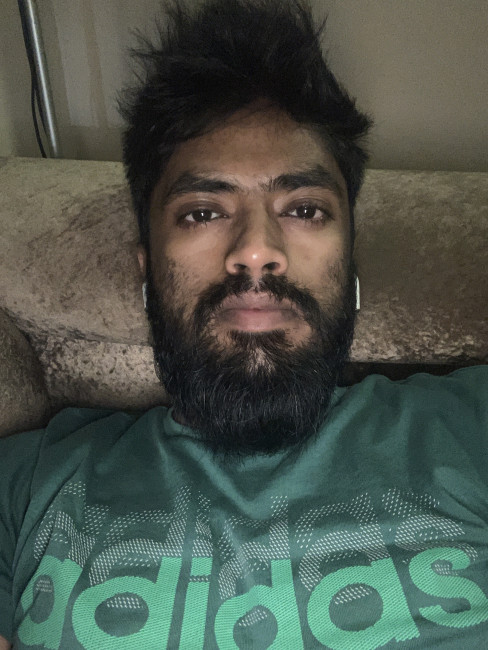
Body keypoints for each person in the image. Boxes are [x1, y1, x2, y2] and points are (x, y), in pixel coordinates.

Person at [1, 1, 487, 647]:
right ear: (147, 270)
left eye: (305, 209)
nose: (256, 250)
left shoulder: (471, 428)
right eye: (203, 212)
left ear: (350, 262)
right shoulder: (27, 484)